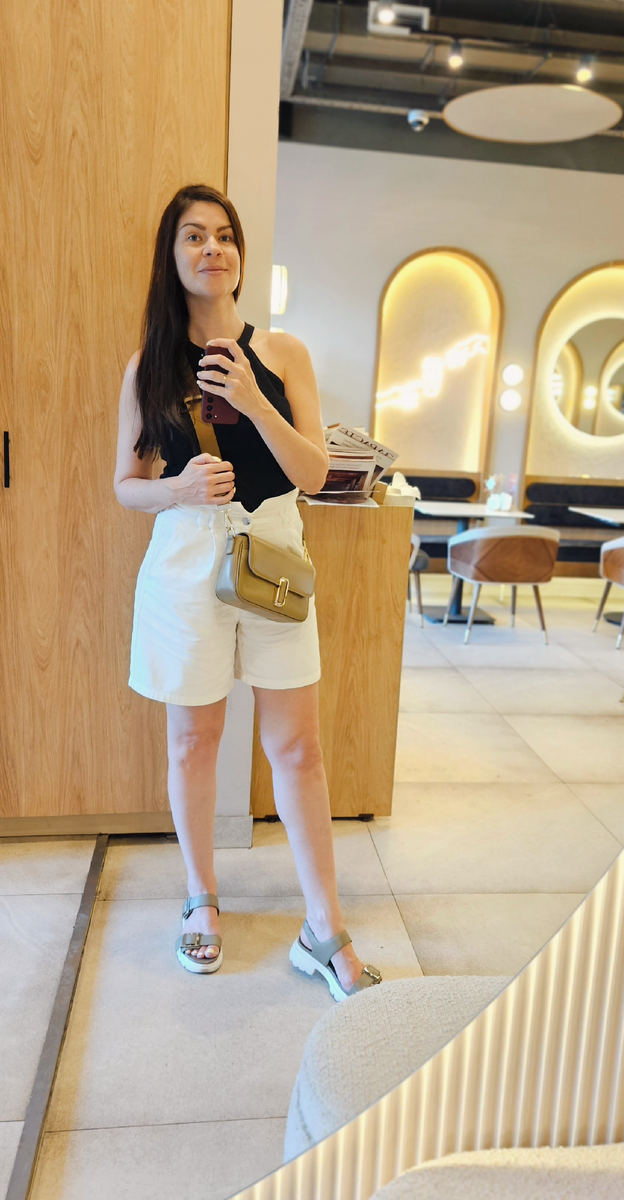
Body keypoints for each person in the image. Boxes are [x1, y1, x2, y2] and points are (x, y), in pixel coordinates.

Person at [114, 184, 381, 1001]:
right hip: (186, 558)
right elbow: (125, 484)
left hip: (273, 553)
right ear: (172, 257)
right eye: (194, 236)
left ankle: (322, 927)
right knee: (194, 742)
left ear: (239, 253)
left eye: (224, 235)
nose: (213, 249)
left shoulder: (285, 354)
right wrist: (179, 489)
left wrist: (256, 401)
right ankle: (201, 899)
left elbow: (314, 473)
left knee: (298, 748)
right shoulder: (148, 366)